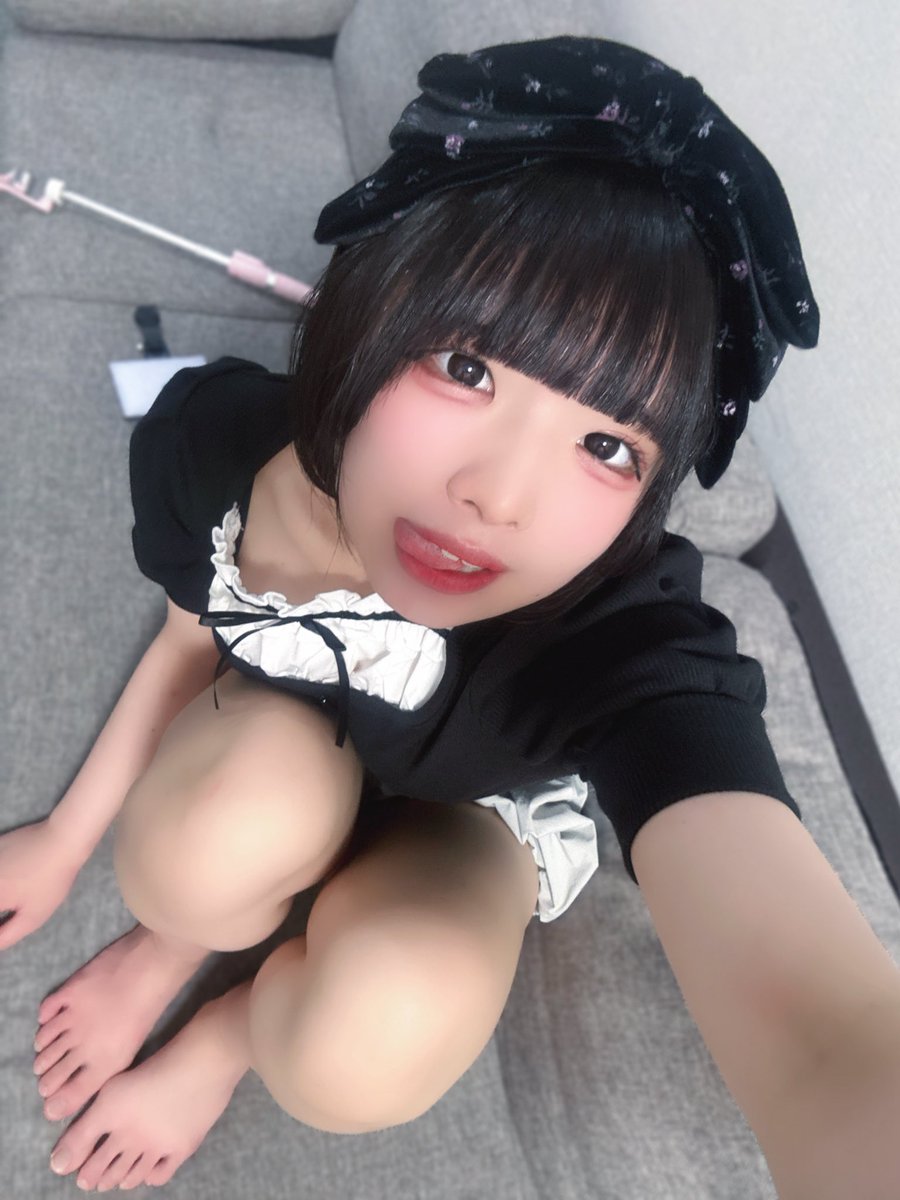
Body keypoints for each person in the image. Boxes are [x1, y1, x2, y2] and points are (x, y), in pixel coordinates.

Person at [1, 33, 899, 1197]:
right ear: (366, 309)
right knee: (188, 855)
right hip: (287, 743)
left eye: (607, 446)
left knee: (364, 1052)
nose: (498, 498)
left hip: (469, 823)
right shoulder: (212, 449)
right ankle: (182, 943)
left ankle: (229, 1033)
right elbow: (196, 622)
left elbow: (824, 1038)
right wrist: (68, 838)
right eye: (468, 369)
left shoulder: (618, 641)